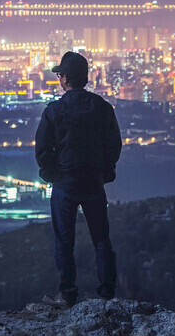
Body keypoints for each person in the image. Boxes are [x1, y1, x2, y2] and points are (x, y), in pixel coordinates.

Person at [35, 51, 122, 308]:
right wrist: (105, 173)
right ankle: (107, 293)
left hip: (65, 184)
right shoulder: (103, 108)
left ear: (64, 79)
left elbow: (42, 150)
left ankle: (67, 295)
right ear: (85, 77)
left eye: (60, 74)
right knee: (102, 240)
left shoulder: (54, 111)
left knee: (64, 241)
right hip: (94, 184)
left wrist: (52, 174)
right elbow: (114, 145)